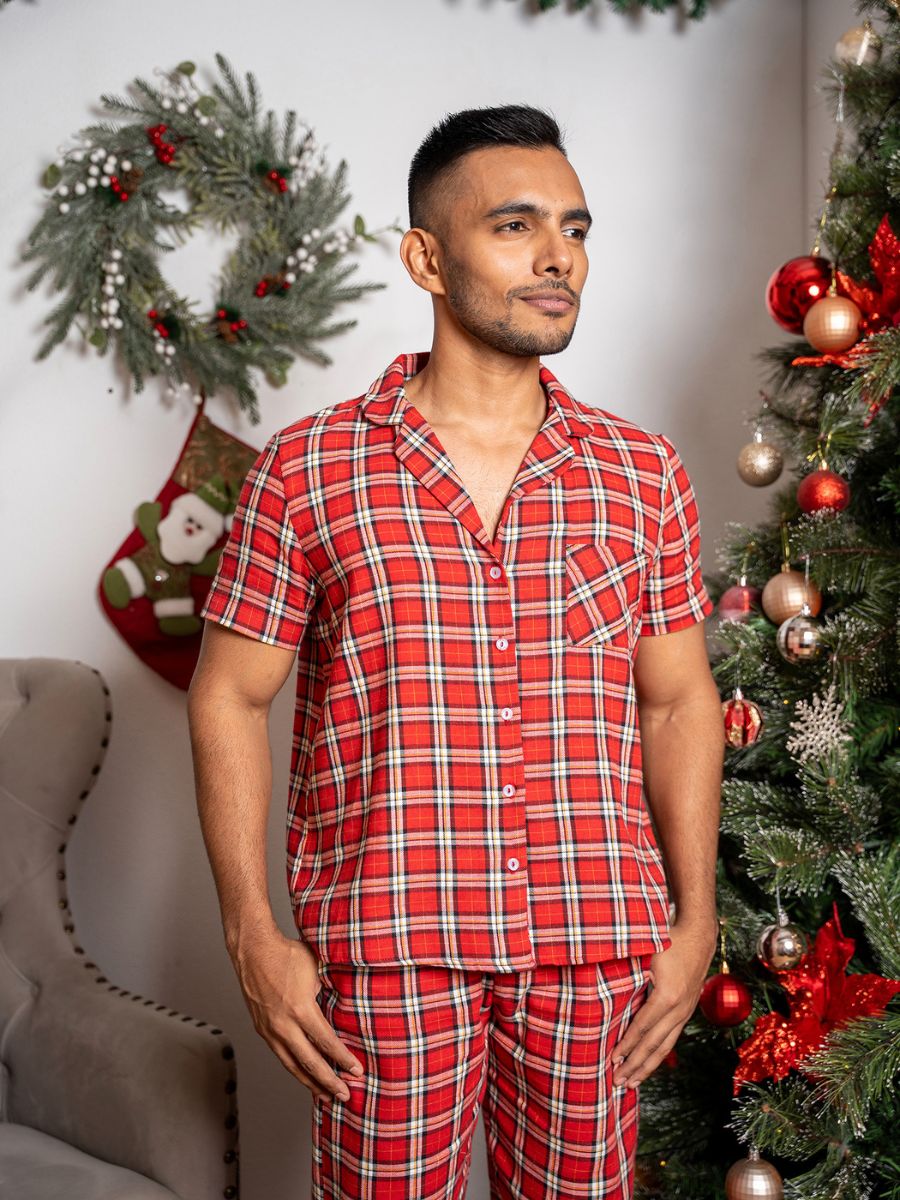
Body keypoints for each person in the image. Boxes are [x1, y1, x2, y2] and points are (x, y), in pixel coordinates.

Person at [187, 103, 724, 1199]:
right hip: (388, 952)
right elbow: (229, 699)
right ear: (427, 258)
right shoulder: (309, 469)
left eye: (574, 229)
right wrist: (253, 932)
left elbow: (677, 702)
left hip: (596, 948)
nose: (558, 257)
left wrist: (696, 915)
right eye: (515, 226)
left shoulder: (642, 474)